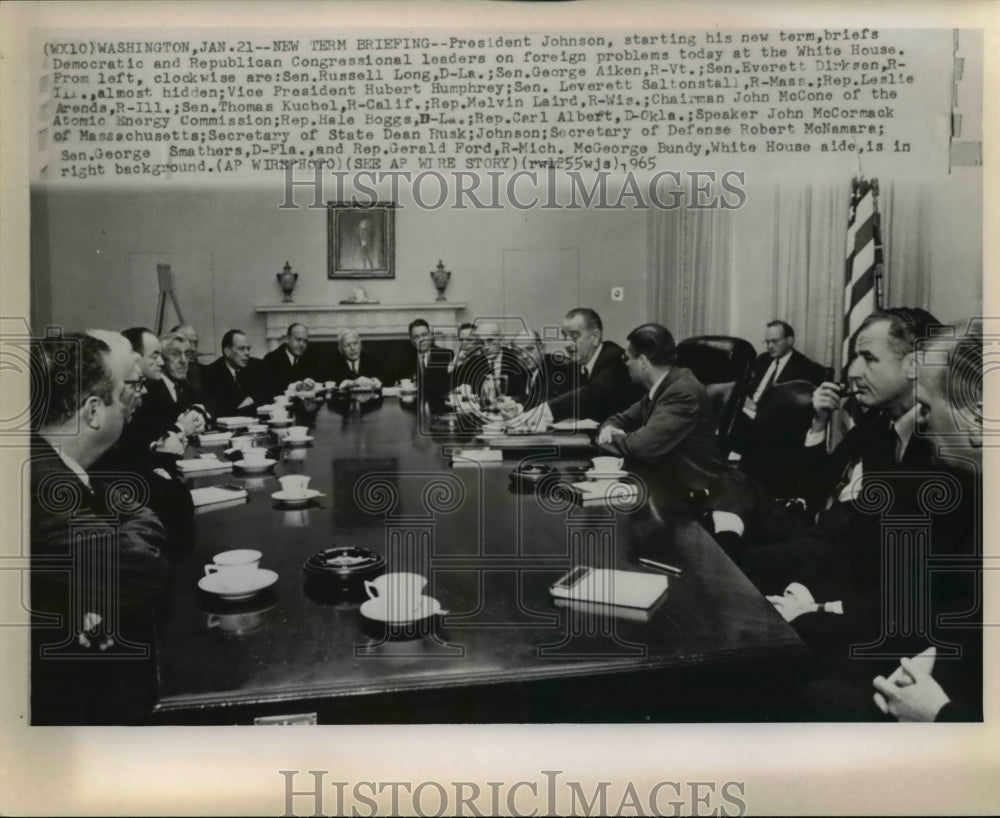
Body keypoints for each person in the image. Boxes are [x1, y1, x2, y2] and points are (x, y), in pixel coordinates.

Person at [30, 332, 172, 724]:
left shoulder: (53, 467)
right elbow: (145, 567)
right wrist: (138, 521)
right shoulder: (37, 487)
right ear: (94, 411)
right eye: (119, 393)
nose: (128, 404)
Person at [595, 323, 731, 500]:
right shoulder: (661, 387)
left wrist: (609, 438)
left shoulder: (682, 393)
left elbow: (642, 448)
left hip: (695, 492)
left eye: (627, 358)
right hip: (664, 480)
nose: (626, 364)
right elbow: (619, 420)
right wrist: (610, 429)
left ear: (643, 362)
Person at [508, 308, 638, 428]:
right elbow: (554, 394)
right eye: (565, 336)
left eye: (574, 336)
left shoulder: (614, 357)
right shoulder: (577, 365)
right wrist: (516, 404)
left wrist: (543, 412)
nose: (567, 344)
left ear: (595, 337)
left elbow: (590, 393)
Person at [201, 329, 267, 416]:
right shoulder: (210, 373)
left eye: (248, 348)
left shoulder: (256, 366)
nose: (247, 353)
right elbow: (216, 409)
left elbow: (267, 393)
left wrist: (250, 400)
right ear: (227, 352)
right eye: (241, 349)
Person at [402, 318, 453, 401]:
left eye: (424, 335)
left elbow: (448, 385)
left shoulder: (446, 355)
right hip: (414, 406)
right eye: (416, 337)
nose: (421, 339)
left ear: (430, 336)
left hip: (440, 406)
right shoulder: (405, 358)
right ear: (411, 340)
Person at [261, 323, 319, 395]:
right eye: (298, 339)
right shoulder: (271, 359)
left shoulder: (310, 359)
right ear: (287, 339)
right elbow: (270, 390)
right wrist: (298, 387)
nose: (302, 344)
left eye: (305, 341)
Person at [170, 323, 205, 396]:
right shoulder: (163, 374)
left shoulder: (201, 373)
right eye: (188, 342)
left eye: (195, 343)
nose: (193, 349)